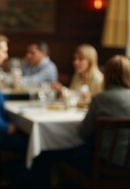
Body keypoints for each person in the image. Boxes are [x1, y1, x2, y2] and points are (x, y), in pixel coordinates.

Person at [26, 54, 130, 189]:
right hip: (126, 165)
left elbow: (83, 133)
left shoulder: (100, 99)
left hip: (101, 163)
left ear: (107, 75)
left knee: (46, 156)